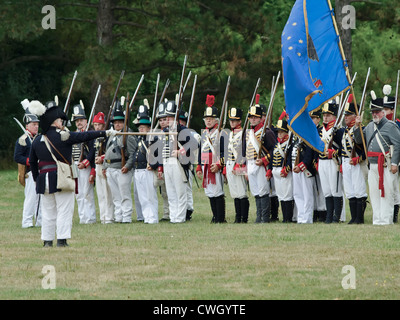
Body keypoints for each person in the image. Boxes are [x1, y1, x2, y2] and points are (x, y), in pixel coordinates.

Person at [29, 99, 114, 247]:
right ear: (55, 122)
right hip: (61, 177)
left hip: (43, 179)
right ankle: (61, 240)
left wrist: (37, 179)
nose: (62, 123)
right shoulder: (63, 135)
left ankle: (47, 241)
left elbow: (32, 162)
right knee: (64, 210)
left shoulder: (37, 140)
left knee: (48, 212)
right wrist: (105, 132)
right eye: (60, 120)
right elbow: (85, 136)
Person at [354, 90, 400, 225]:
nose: (375, 114)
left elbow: (398, 145)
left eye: (377, 111)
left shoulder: (390, 126)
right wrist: (357, 126)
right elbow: (358, 140)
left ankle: (386, 220)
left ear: (383, 112)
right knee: (374, 193)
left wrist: (395, 163)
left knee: (387, 193)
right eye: (373, 112)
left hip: (386, 164)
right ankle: (377, 219)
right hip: (372, 165)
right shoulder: (369, 126)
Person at [157, 97, 192, 223]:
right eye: (167, 117)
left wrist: (180, 152)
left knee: (180, 192)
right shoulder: (165, 131)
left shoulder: (182, 129)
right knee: (171, 192)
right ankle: (173, 216)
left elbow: (193, 143)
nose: (168, 120)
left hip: (178, 163)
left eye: (170, 117)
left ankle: (180, 217)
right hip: (167, 163)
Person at [102, 97, 137, 224]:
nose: (117, 124)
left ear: (124, 122)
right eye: (115, 122)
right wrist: (105, 167)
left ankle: (126, 217)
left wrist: (127, 166)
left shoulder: (128, 134)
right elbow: (106, 153)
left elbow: (133, 153)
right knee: (116, 196)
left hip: (122, 168)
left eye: (120, 122)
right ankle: (118, 216)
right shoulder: (111, 135)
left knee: (124, 195)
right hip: (111, 169)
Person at [243, 94, 276, 223]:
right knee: (256, 191)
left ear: (260, 118)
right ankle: (259, 216)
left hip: (261, 164)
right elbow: (245, 151)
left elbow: (274, 150)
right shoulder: (248, 133)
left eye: (255, 117)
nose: (252, 120)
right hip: (250, 163)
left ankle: (265, 217)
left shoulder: (266, 132)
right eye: (251, 117)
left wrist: (264, 160)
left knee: (263, 190)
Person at [196, 95, 226, 223]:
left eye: (211, 119)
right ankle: (214, 216)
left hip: (215, 165)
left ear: (216, 120)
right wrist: (198, 167)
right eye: (207, 119)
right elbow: (200, 152)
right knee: (209, 192)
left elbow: (225, 152)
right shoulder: (204, 134)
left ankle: (220, 218)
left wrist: (220, 165)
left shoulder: (221, 133)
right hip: (205, 165)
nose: (208, 121)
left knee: (218, 192)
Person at [339, 95, 368, 224]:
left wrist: (358, 159)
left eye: (348, 115)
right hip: (346, 162)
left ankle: (359, 218)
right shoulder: (345, 131)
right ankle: (353, 217)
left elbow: (362, 145)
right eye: (345, 115)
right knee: (350, 191)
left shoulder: (361, 129)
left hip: (357, 163)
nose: (345, 117)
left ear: (355, 116)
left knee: (359, 190)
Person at [14, 99, 42, 228]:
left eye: (37, 124)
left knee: (41, 198)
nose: (36, 126)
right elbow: (17, 157)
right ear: (27, 125)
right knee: (31, 198)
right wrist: (30, 162)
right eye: (34, 124)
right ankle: (27, 222)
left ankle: (40, 221)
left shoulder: (39, 138)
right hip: (30, 173)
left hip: (41, 171)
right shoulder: (23, 139)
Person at [132, 102, 159, 224]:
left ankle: (152, 218)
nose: (140, 129)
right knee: (142, 197)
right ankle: (146, 217)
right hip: (138, 170)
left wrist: (152, 165)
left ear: (149, 128)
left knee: (150, 196)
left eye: (143, 127)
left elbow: (158, 155)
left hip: (148, 170)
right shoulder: (140, 139)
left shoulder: (153, 138)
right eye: (139, 127)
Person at [70, 101, 97, 224]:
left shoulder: (89, 133)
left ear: (86, 121)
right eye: (77, 121)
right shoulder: (74, 134)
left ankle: (90, 218)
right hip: (75, 166)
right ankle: (83, 217)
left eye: (81, 120)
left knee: (87, 193)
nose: (79, 123)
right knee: (78, 194)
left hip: (85, 166)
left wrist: (85, 163)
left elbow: (92, 151)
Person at [319, 98, 344, 223]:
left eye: (328, 115)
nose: (325, 118)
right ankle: (329, 216)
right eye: (324, 115)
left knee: (335, 190)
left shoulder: (338, 130)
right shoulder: (320, 130)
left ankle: (336, 216)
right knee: (327, 190)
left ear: (334, 116)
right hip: (322, 161)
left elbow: (344, 149)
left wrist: (334, 153)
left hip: (333, 162)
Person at [223, 106, 249, 223]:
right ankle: (237, 217)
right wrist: (225, 168)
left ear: (239, 121)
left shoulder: (243, 134)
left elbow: (244, 152)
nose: (232, 122)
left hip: (239, 164)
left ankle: (244, 218)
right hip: (229, 164)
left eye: (235, 120)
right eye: (231, 120)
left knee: (241, 192)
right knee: (234, 193)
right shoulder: (230, 134)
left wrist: (239, 165)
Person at [268, 114, 294, 223]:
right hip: (276, 171)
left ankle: (288, 218)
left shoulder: (289, 144)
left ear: (286, 133)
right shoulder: (277, 144)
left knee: (287, 195)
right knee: (280, 195)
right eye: (278, 132)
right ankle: (284, 217)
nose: (279, 134)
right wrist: (270, 169)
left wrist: (287, 169)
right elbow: (272, 157)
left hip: (285, 172)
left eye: (281, 132)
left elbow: (290, 159)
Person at [90, 112, 115, 224]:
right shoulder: (96, 138)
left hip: (106, 165)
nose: (98, 127)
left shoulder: (108, 137)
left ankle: (109, 216)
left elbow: (112, 151)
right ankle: (103, 216)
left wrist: (103, 158)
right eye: (95, 125)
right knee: (100, 193)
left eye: (100, 125)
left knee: (107, 193)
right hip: (97, 166)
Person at [382, 84, 400, 223]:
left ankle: (394, 216)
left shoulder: (397, 123)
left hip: (395, 160)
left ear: (392, 110)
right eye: (383, 109)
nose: (385, 112)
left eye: (387, 109)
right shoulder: (380, 124)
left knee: (394, 188)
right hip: (383, 161)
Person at [289, 134, 317, 224]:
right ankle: (300, 217)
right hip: (295, 170)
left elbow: (309, 155)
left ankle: (307, 218)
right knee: (297, 194)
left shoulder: (308, 138)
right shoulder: (296, 140)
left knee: (307, 195)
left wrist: (301, 166)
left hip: (305, 170)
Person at [309, 108, 327, 222]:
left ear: (318, 119)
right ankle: (315, 211)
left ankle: (323, 212)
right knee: (314, 190)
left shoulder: (321, 131)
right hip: (311, 164)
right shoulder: (309, 131)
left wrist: (316, 161)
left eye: (313, 118)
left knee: (322, 189)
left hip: (320, 162)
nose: (311, 120)